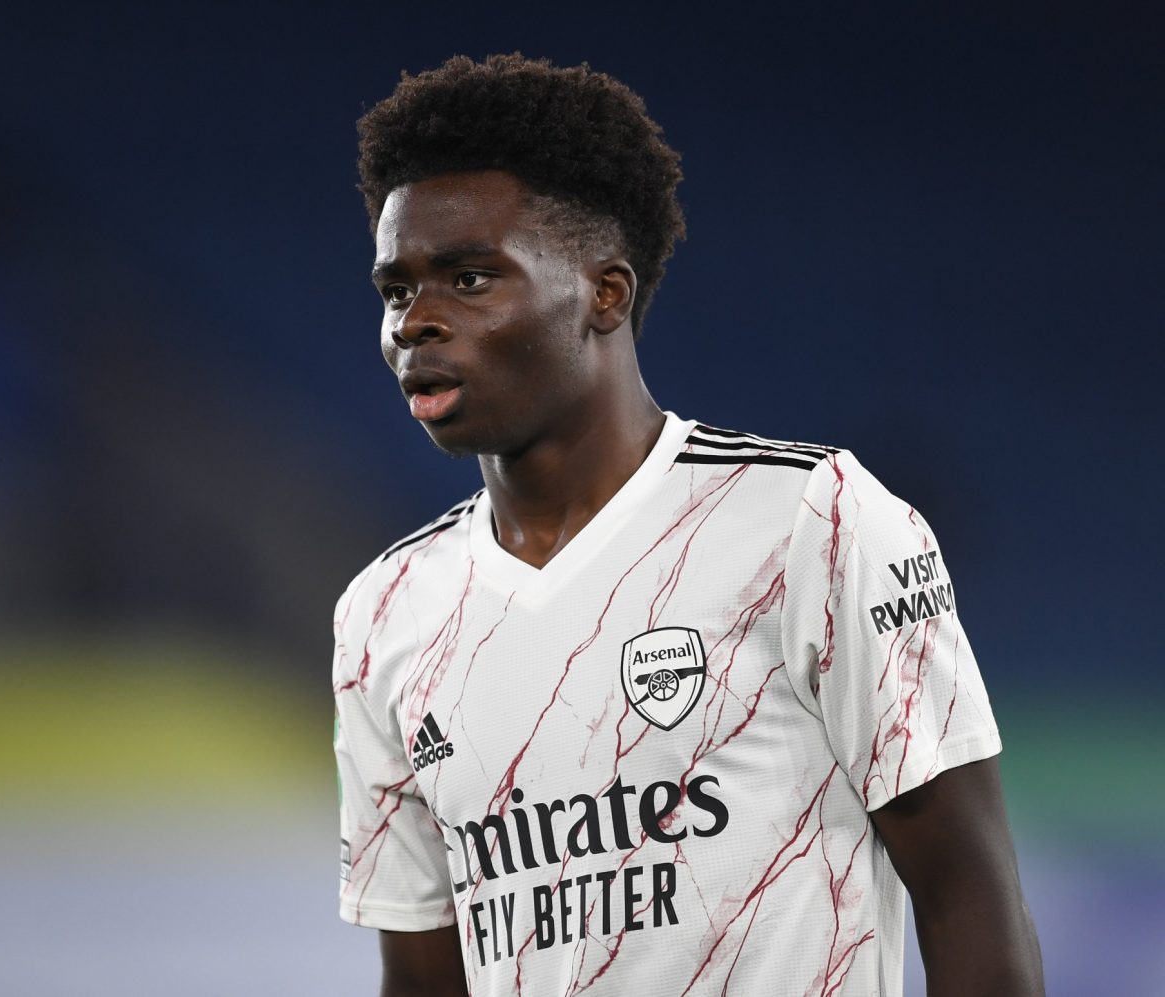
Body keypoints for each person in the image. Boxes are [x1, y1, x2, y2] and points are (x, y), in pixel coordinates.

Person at [332, 54, 1043, 996]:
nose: (414, 322)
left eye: (468, 278)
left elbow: (968, 898)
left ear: (605, 292)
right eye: (396, 291)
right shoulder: (384, 613)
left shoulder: (811, 520)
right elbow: (424, 977)